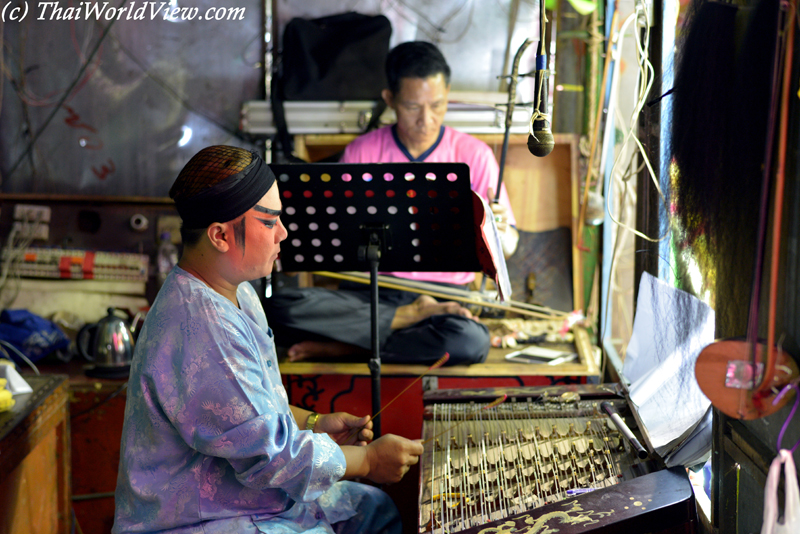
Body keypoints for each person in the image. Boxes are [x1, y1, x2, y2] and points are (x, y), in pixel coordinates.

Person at [112, 146, 423, 534]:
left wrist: (313, 421)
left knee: (372, 509)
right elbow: (271, 456)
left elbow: (251, 409)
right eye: (269, 221)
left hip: (247, 500)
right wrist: (368, 461)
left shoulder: (237, 292)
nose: (283, 233)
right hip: (202, 518)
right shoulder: (202, 324)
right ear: (221, 235)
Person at [265, 41, 518, 366]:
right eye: (413, 107)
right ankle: (399, 322)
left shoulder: (475, 155)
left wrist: (496, 230)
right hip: (372, 292)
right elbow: (340, 236)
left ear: (448, 94)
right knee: (279, 307)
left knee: (469, 341)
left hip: (444, 299)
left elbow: (509, 246)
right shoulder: (362, 151)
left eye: (438, 105)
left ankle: (351, 347)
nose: (426, 119)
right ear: (390, 100)